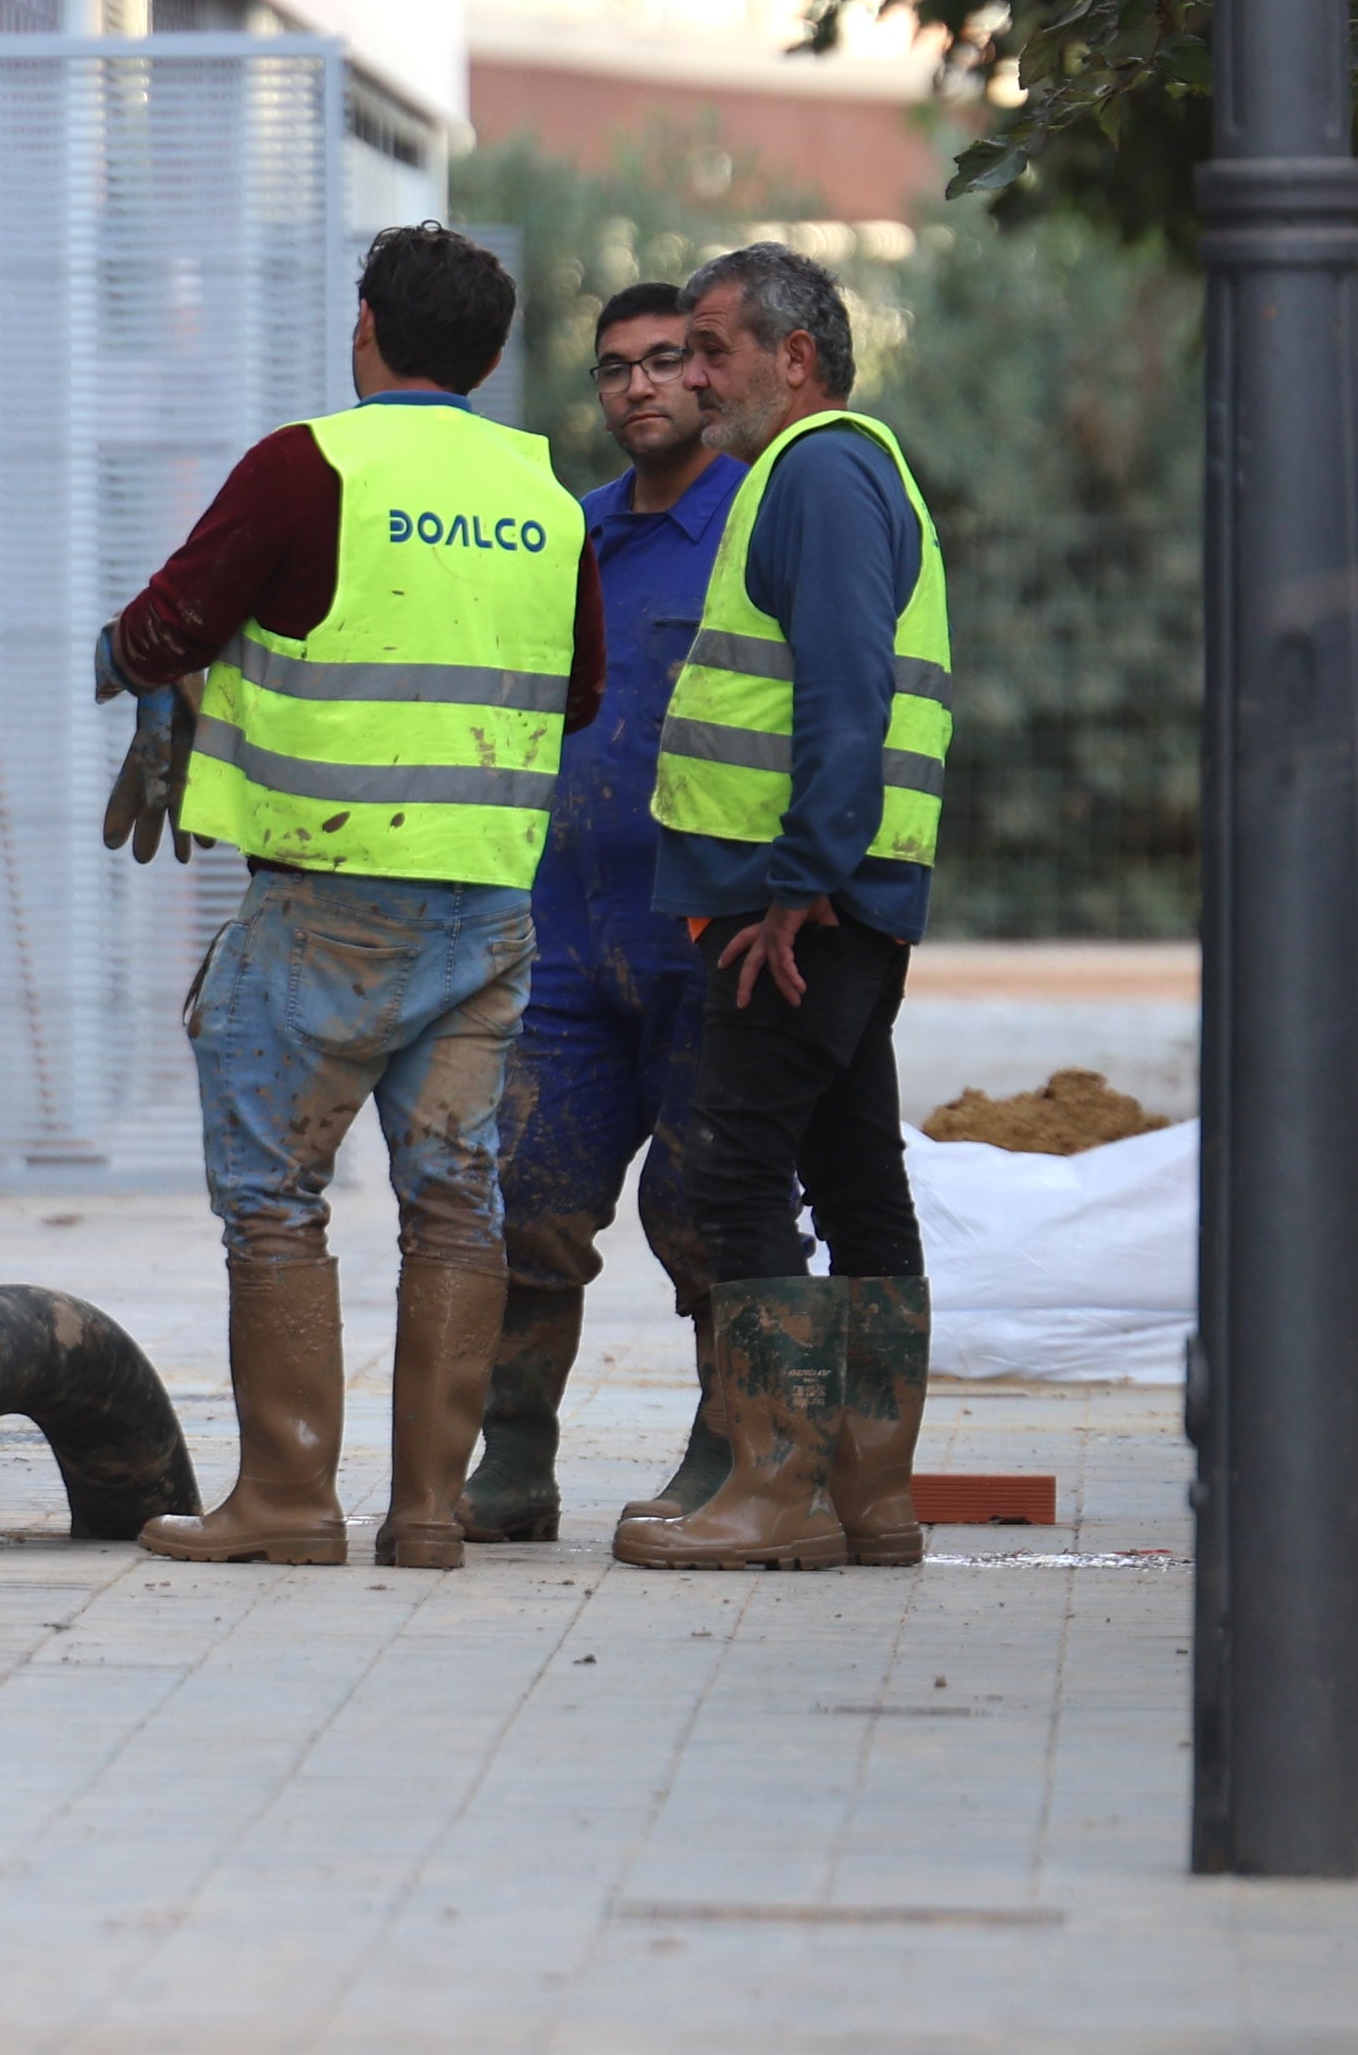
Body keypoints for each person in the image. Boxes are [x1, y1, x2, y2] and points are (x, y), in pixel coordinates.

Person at [96, 224, 601, 1570]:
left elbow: (167, 623)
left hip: (326, 902)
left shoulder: (310, 463)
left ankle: (287, 1502)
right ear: (492, 356)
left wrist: (138, 669)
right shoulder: (546, 496)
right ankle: (430, 1514)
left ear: (364, 328)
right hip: (485, 909)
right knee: (456, 1201)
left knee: (275, 1200)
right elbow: (584, 689)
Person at [618, 243, 951, 1573]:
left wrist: (800, 881)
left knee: (738, 1167)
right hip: (840, 897)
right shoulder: (829, 475)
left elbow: (844, 693)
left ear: (793, 358)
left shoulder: (817, 470)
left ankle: (778, 1493)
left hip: (807, 903)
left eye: (709, 349)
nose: (691, 377)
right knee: (856, 1173)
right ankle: (869, 1499)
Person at [456, 285, 742, 1544]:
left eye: (665, 362)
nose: (638, 387)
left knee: (711, 1214)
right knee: (529, 1198)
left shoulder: (758, 526)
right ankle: (511, 1467)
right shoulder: (573, 537)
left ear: (711, 376)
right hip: (566, 938)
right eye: (616, 368)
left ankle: (725, 1462)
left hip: (709, 935)